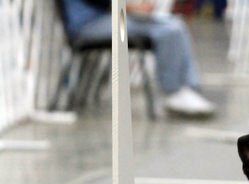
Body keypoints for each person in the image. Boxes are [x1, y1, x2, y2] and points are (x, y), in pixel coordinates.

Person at [62, 0, 216, 116]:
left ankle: (188, 88)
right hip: (90, 25)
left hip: (104, 19)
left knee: (175, 25)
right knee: (170, 30)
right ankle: (174, 91)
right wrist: (131, 8)